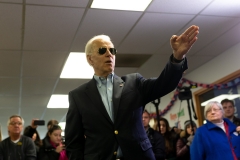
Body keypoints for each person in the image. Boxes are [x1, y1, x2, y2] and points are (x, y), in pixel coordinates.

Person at [65, 25, 199, 160]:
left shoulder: (134, 82)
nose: (109, 54)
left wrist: (177, 57)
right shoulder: (78, 96)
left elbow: (163, 84)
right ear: (90, 59)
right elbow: (73, 143)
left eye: (112, 50)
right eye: (102, 50)